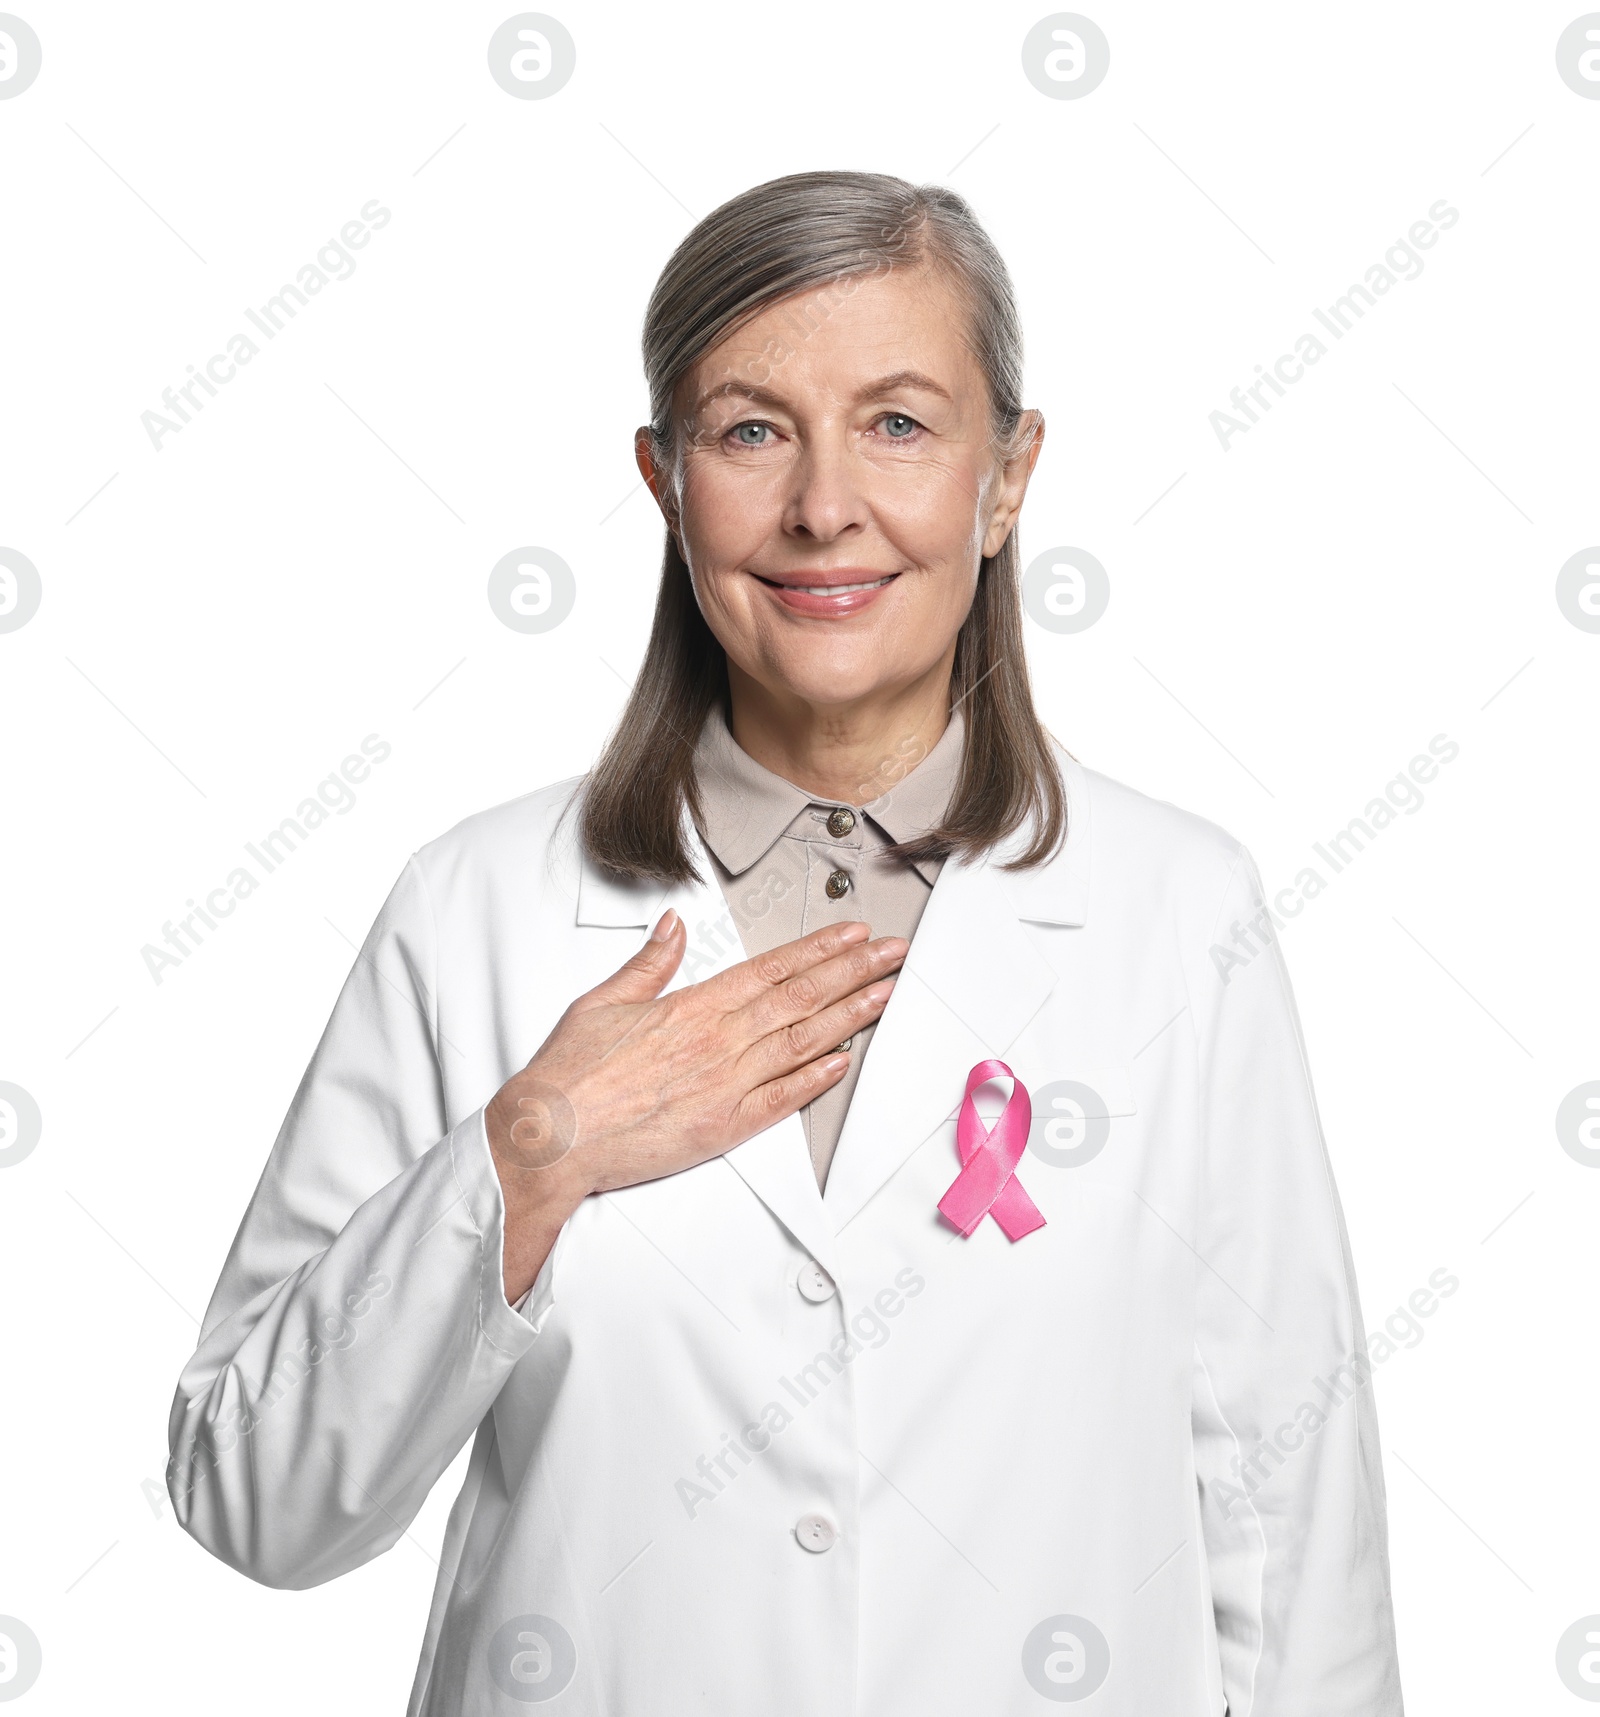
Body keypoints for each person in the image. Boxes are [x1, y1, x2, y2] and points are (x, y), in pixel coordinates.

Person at [168, 170, 1403, 1714]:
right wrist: (533, 1152)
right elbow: (254, 1498)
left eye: (899, 423)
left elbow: (1292, 1520)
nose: (827, 505)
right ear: (664, 480)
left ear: (1006, 479)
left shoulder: (1177, 912)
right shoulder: (472, 909)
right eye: (752, 429)